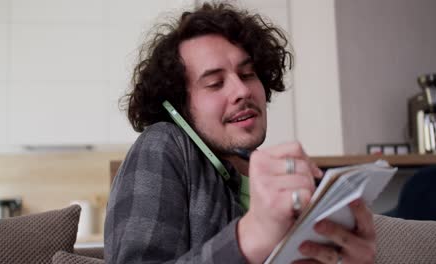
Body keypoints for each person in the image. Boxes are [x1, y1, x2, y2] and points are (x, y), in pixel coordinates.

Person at [104, 2, 376, 264]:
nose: (243, 91)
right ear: (179, 105)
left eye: (247, 75)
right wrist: (250, 236)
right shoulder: (163, 145)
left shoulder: (281, 181)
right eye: (215, 83)